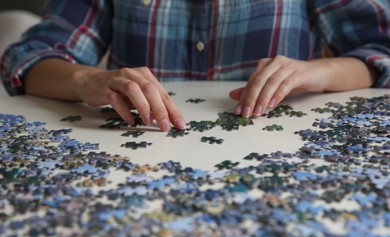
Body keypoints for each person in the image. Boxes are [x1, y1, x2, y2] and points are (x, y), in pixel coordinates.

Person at [1, 0, 389, 132]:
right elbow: (28, 56)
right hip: (135, 157)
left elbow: (382, 46)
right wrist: (87, 78)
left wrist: (321, 71)